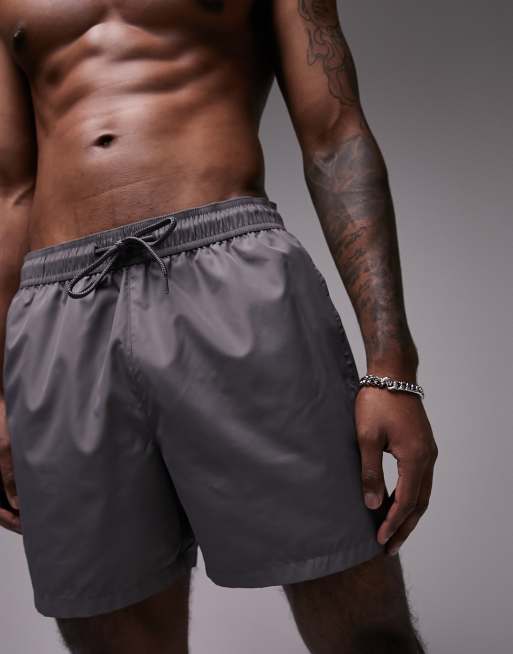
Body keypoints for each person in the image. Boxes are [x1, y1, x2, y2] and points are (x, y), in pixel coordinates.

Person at [0, 1, 438, 652]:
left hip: (230, 274)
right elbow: (9, 191)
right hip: (58, 306)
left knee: (364, 631)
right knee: (112, 639)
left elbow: (334, 135)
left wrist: (392, 367)